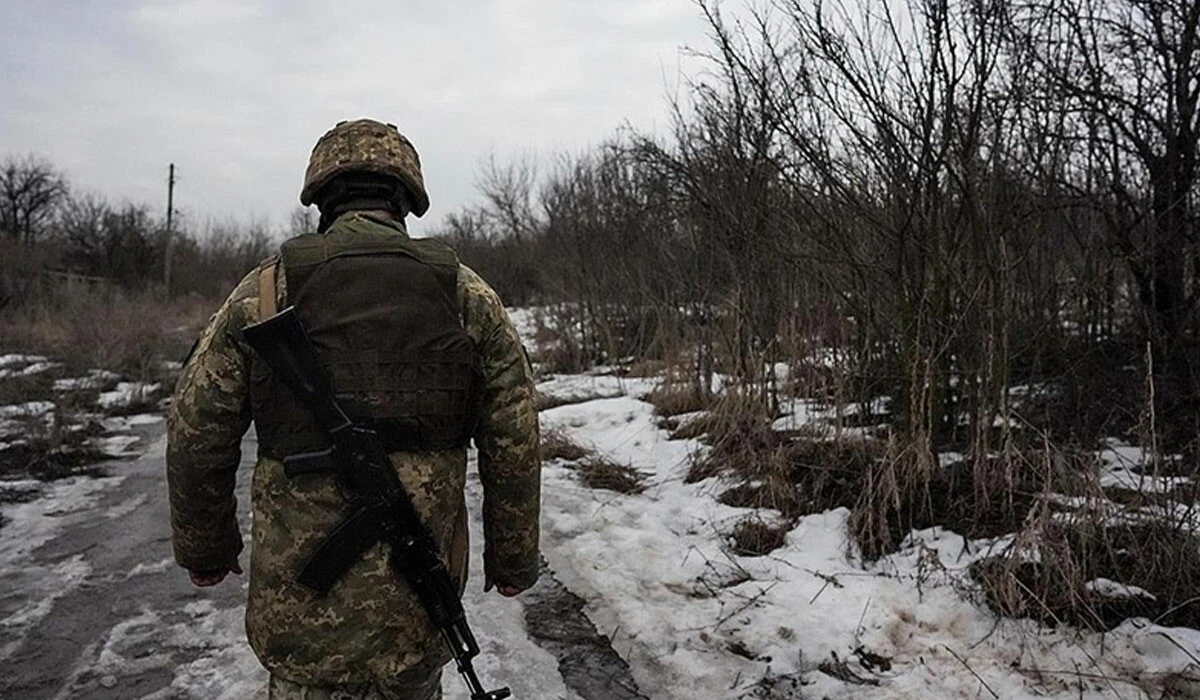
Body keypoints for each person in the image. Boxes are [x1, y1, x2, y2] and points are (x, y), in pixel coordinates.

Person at [167, 118, 541, 700]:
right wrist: (514, 559)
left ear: (322, 197)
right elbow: (514, 439)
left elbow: (197, 430)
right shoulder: (466, 296)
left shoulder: (264, 293)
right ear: (405, 199)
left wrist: (205, 548)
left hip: (300, 622)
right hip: (415, 618)